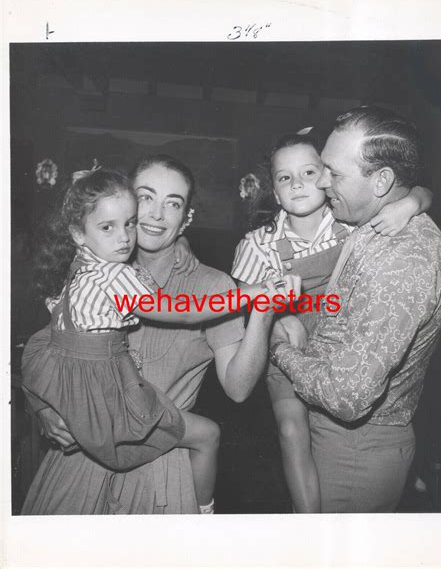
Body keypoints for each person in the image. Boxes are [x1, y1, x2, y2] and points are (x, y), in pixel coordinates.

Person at [22, 155, 291, 514]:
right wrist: (42, 408)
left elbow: (239, 388)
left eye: (173, 203)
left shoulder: (211, 285)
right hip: (79, 460)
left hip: (161, 465)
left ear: (187, 218)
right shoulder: (96, 264)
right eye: (146, 197)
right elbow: (46, 349)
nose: (156, 215)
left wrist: (262, 313)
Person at [232, 131, 433, 512]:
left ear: (327, 179)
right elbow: (252, 311)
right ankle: (308, 521)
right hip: (287, 344)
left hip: (341, 343)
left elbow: (425, 192)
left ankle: (404, 471)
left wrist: (408, 206)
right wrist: (276, 318)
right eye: (285, 178)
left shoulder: (349, 221)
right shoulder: (258, 245)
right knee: (292, 429)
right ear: (274, 192)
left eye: (309, 172)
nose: (298, 184)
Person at [269, 106, 441, 513]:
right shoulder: (379, 216)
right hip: (343, 438)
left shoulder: (402, 262)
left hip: (354, 451)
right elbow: (344, 307)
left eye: (333, 172)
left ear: (382, 181)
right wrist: (414, 200)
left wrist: (282, 352)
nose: (321, 181)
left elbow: (346, 396)